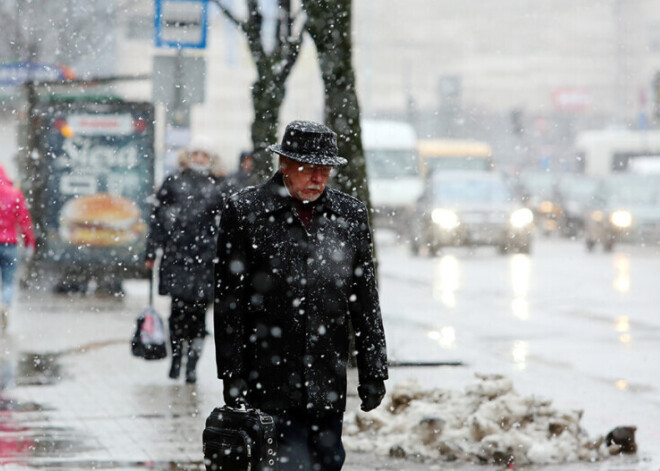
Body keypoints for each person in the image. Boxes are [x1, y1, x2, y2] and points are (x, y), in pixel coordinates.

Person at [214, 120, 388, 471]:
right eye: (309, 169)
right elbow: (228, 303)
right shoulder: (246, 212)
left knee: (327, 462)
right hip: (268, 379)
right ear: (284, 165)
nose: (318, 179)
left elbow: (365, 298)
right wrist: (232, 375)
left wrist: (373, 370)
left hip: (326, 379)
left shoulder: (349, 214)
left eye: (325, 171)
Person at [145, 142, 224, 383]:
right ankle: (176, 357)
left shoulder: (219, 186)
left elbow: (228, 225)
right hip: (177, 257)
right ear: (187, 157)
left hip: (205, 260)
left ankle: (191, 365)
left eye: (204, 154)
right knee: (177, 313)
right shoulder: (173, 182)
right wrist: (151, 251)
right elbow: (157, 219)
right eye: (196, 154)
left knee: (198, 317)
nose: (199, 158)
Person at [0, 165, 35, 331]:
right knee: (7, 282)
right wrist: (30, 243)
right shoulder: (14, 194)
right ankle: (4, 304)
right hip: (10, 244)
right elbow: (24, 221)